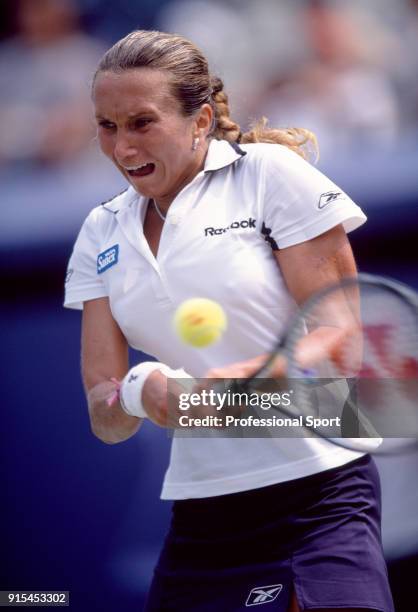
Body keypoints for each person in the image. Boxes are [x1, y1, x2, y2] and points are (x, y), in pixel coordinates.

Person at [64, 30, 394, 612]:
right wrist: (143, 394)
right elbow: (104, 412)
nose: (121, 147)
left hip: (320, 494)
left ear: (202, 120)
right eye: (107, 126)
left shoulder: (269, 175)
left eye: (142, 122)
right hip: (204, 512)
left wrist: (249, 378)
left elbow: (339, 338)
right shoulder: (100, 231)